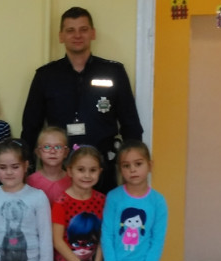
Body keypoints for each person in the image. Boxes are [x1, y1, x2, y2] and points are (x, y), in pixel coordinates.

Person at [21, 6, 143, 193]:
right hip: (58, 171)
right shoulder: (45, 76)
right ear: (61, 36)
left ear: (93, 33)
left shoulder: (113, 72)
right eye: (70, 30)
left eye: (83, 29)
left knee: (103, 213)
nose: (77, 35)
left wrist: (132, 169)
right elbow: (31, 128)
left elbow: (130, 125)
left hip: (102, 168)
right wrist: (26, 172)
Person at [27, 127, 72, 204]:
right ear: (38, 152)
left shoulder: (72, 180)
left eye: (58, 147)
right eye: (47, 147)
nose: (53, 151)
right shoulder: (30, 181)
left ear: (66, 152)